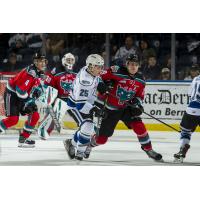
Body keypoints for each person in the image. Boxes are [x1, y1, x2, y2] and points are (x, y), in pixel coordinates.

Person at [84, 54, 163, 161]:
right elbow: (98, 75)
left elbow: (140, 96)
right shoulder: (116, 71)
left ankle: (149, 149)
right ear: (126, 64)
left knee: (139, 126)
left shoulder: (141, 80)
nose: (133, 67)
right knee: (102, 139)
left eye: (135, 64)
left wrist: (137, 102)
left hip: (126, 108)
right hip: (110, 109)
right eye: (131, 64)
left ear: (139, 66)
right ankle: (89, 145)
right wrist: (101, 84)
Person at [63, 54, 106, 160]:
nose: (100, 69)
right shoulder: (85, 81)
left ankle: (71, 143)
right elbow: (80, 105)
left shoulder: (88, 69)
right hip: (75, 106)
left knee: (89, 128)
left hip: (87, 102)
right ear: (91, 66)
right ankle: (80, 152)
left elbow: (97, 77)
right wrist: (94, 109)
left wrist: (100, 83)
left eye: (101, 66)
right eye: (98, 66)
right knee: (88, 126)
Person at [0, 53, 47, 147]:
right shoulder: (30, 73)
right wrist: (29, 101)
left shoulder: (39, 72)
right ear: (35, 62)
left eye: (43, 61)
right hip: (12, 94)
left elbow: (35, 86)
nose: (42, 63)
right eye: (40, 61)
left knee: (35, 116)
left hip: (22, 96)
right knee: (13, 120)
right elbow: (20, 91)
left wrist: (38, 91)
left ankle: (23, 139)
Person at [38, 53, 76, 139]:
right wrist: (49, 96)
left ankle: (84, 130)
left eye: (71, 60)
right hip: (59, 98)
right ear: (63, 60)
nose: (70, 62)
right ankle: (44, 131)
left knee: (78, 114)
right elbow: (47, 83)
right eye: (68, 60)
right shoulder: (56, 70)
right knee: (52, 117)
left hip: (71, 99)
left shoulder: (76, 72)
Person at [174, 75, 200, 163]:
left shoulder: (196, 78)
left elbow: (190, 94)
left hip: (191, 109)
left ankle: (182, 151)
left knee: (185, 131)